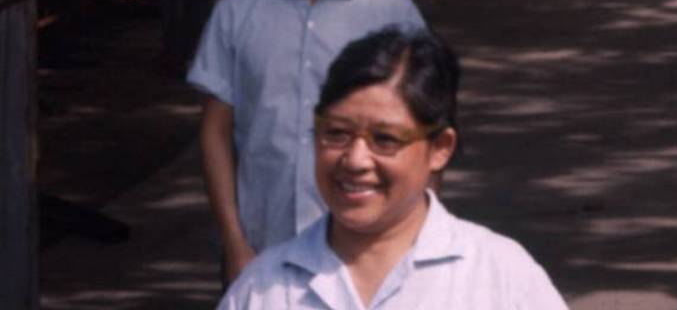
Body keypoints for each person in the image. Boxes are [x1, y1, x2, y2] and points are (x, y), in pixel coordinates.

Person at [188, 0, 427, 284]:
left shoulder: (391, 11)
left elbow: (424, 133)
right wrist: (235, 242)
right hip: (263, 244)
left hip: (366, 245)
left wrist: (415, 244)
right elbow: (215, 132)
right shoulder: (238, 13)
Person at [219, 26, 566, 308]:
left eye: (385, 139)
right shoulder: (264, 290)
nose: (355, 160)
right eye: (336, 134)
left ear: (440, 149)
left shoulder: (497, 276)